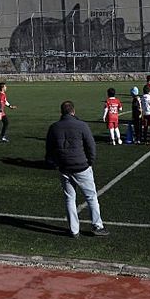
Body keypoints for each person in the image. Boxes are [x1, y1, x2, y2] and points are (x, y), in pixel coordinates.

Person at [45, 100, 109, 238]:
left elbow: (49, 149)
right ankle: (97, 225)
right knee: (91, 197)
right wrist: (90, 161)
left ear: (61, 112)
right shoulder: (81, 125)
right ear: (73, 111)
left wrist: (55, 163)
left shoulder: (54, 127)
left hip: (64, 167)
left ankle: (74, 230)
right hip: (81, 166)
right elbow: (91, 146)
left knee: (69, 199)